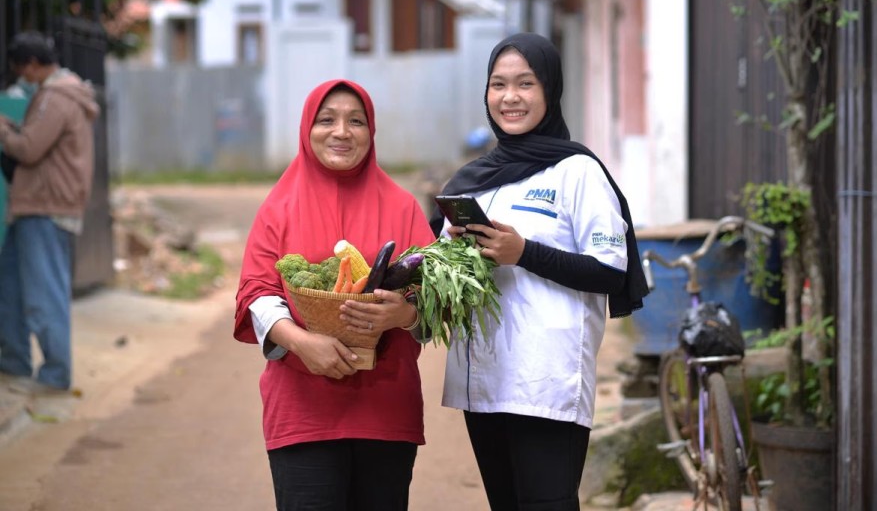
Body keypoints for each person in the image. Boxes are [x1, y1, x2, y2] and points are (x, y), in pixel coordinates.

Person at [431, 32, 649, 510]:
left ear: (549, 90)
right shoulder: (473, 180)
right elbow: (437, 273)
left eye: (525, 83)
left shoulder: (578, 172)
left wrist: (523, 251)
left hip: (548, 381)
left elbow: (611, 272)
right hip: (484, 381)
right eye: (498, 84)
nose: (510, 97)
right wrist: (447, 258)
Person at [234, 79, 435, 510]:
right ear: (307, 129)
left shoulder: (403, 207)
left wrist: (401, 315)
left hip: (386, 408)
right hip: (302, 409)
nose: (341, 131)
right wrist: (300, 341)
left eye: (356, 121)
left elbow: (436, 296)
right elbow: (257, 289)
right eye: (327, 120)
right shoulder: (279, 206)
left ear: (371, 131)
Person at [0, 30, 100, 396]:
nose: (20, 78)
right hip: (35, 207)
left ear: (30, 65)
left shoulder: (56, 97)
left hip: (45, 207)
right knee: (11, 288)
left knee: (44, 296)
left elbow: (28, 149)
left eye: (20, 70)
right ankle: (13, 362)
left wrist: (2, 129)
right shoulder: (59, 94)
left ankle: (56, 373)